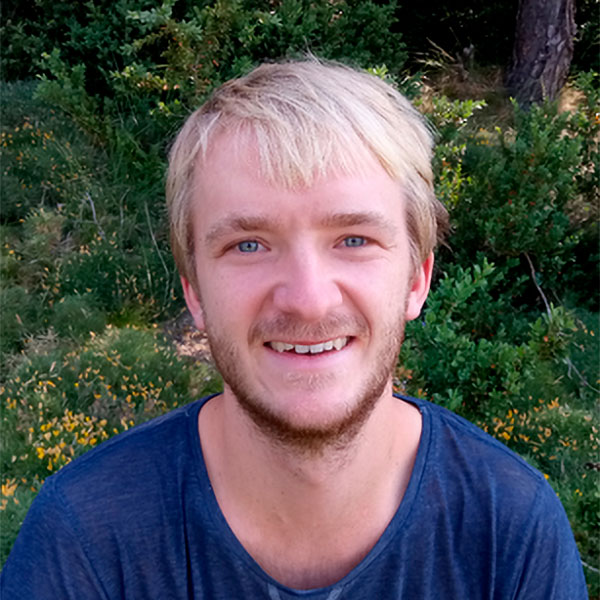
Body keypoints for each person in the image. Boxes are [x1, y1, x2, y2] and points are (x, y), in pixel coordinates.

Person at [1, 58, 587, 599]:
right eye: (248, 244)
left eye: (353, 239)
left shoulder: (510, 533)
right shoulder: (84, 540)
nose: (308, 300)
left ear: (417, 278)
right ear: (194, 290)